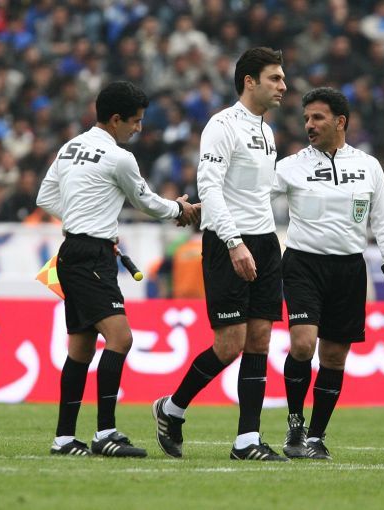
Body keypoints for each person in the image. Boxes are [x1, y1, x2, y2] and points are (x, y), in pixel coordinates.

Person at [36, 81, 199, 457]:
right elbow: (147, 202)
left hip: (71, 252)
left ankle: (64, 438)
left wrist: (80, 219)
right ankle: (105, 433)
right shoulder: (119, 157)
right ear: (115, 119)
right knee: (120, 338)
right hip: (92, 256)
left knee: (80, 348)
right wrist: (181, 209)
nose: (138, 128)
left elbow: (45, 196)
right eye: (135, 121)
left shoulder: (70, 147)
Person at [152, 47, 288, 462]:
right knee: (230, 344)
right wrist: (234, 242)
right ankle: (172, 408)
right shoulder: (221, 125)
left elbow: (257, 192)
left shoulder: (267, 131)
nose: (283, 86)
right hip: (229, 243)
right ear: (249, 81)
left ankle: (247, 439)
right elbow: (209, 186)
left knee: (260, 339)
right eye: (275, 78)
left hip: (265, 242)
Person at [272, 87, 384, 460]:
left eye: (317, 117)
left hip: (349, 269)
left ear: (340, 121)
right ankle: (295, 423)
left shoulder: (368, 166)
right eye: (306, 119)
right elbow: (253, 199)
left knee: (333, 357)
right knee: (303, 344)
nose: (309, 125)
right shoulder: (290, 165)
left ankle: (316, 437)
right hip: (303, 263)